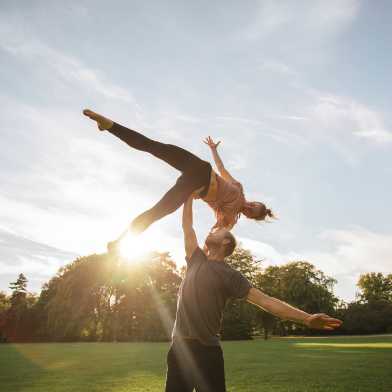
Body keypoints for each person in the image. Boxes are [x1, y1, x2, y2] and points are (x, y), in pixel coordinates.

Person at [165, 196, 342, 392]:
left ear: (225, 242)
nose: (213, 229)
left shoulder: (231, 276)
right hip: (179, 351)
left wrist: (307, 319)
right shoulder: (195, 259)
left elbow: (266, 301)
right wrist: (188, 195)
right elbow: (187, 226)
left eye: (218, 230)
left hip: (207, 353)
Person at [83, 109, 274, 246]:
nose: (249, 208)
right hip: (200, 167)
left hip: (194, 187)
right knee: (154, 147)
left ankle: (120, 242)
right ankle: (110, 125)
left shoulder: (230, 219)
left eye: (251, 212)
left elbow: (216, 235)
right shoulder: (239, 188)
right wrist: (214, 150)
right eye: (253, 206)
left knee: (157, 212)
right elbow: (221, 168)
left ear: (249, 217)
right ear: (255, 201)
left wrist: (207, 250)